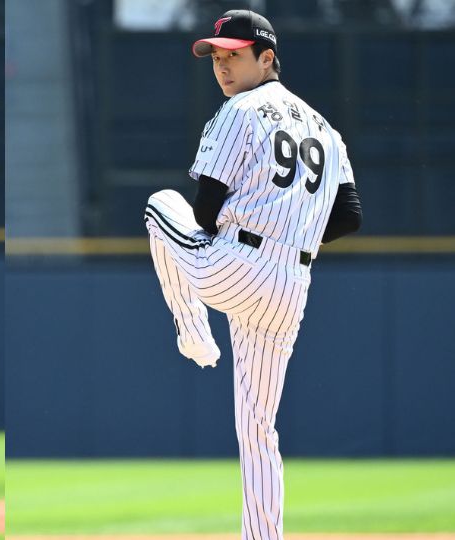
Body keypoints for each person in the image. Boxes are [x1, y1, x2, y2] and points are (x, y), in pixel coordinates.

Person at [144, 10, 361, 538]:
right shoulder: (327, 131)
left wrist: (249, 234)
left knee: (158, 206)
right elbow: (350, 217)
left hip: (233, 267)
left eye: (234, 55)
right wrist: (294, 237)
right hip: (292, 287)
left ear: (267, 57)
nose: (222, 66)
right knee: (259, 429)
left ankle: (193, 332)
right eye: (217, 57)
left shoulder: (239, 110)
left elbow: (203, 209)